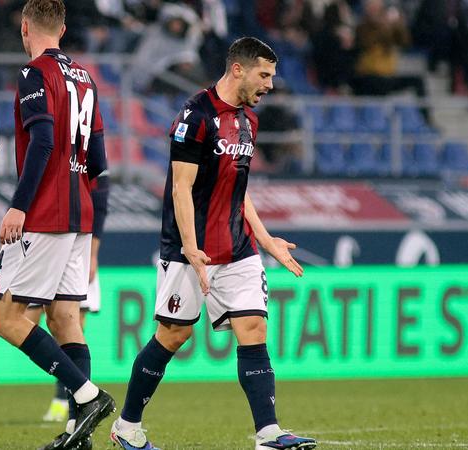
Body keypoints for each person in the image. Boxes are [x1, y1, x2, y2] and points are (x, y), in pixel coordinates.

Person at [109, 37, 317, 450]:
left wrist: (266, 239)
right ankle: (126, 426)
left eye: (272, 77)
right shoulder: (196, 116)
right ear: (238, 69)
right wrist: (190, 248)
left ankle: (268, 433)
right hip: (190, 249)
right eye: (264, 75)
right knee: (173, 335)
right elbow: (180, 188)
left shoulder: (249, 121)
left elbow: (238, 189)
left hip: (237, 246)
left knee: (253, 328)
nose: (270, 85)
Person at [0, 1, 113, 449]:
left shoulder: (33, 74)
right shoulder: (86, 79)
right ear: (62, 29)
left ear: (25, 28)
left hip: (45, 214)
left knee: (4, 319)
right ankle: (79, 432)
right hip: (80, 214)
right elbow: (99, 162)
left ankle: (88, 395)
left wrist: (19, 206)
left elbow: (42, 140)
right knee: (64, 320)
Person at [27, 174, 110, 425]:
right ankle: (81, 393)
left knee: (73, 325)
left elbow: (100, 203)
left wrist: (93, 253)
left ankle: (66, 402)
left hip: (78, 244)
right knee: (25, 321)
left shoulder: (90, 162)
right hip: (44, 240)